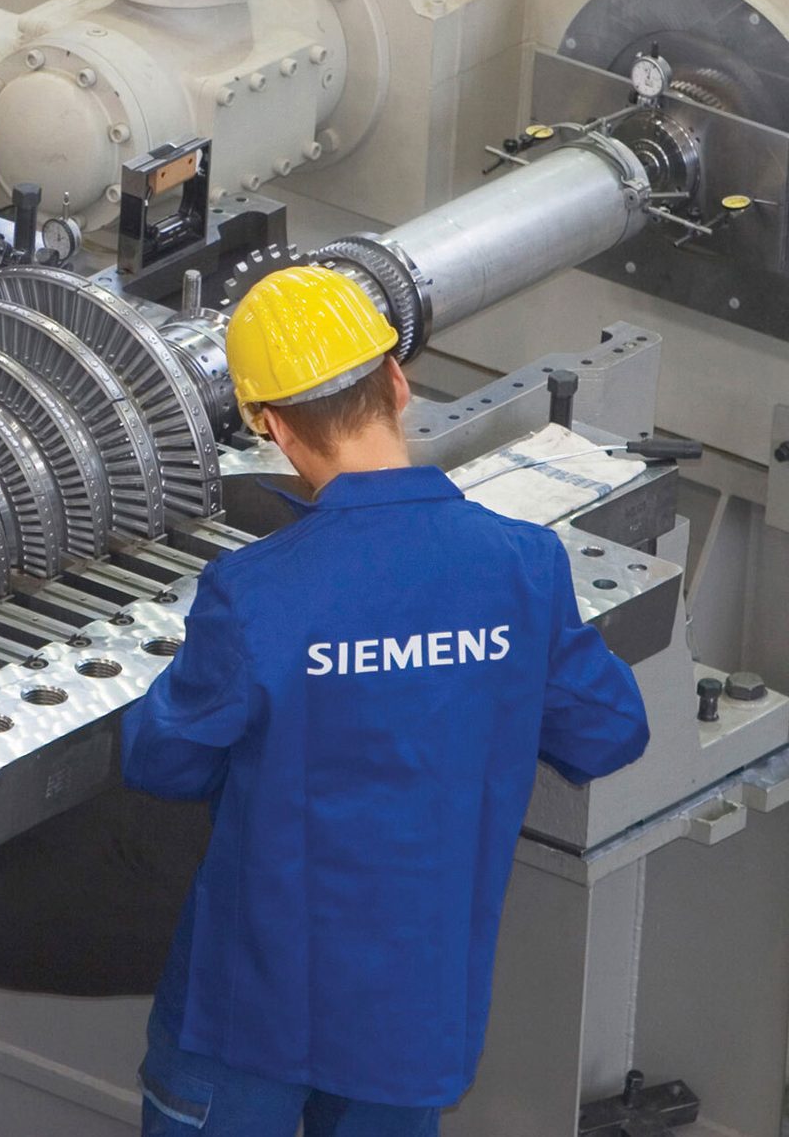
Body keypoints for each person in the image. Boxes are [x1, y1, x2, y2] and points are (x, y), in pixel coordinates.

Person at [121, 266, 650, 1136]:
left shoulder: (253, 593)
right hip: (410, 1024)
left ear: (273, 428)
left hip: (249, 1015)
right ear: (398, 383)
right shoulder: (520, 567)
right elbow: (609, 732)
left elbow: (160, 759)